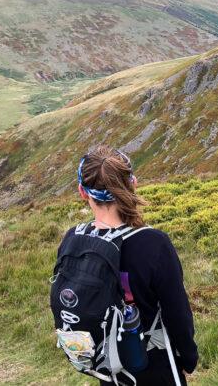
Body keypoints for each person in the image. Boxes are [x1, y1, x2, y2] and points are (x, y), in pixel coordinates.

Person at [56, 146, 198, 385]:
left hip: (108, 364)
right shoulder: (153, 243)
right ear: (132, 184)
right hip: (154, 363)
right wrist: (188, 358)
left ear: (83, 192)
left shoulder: (73, 239)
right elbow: (177, 312)